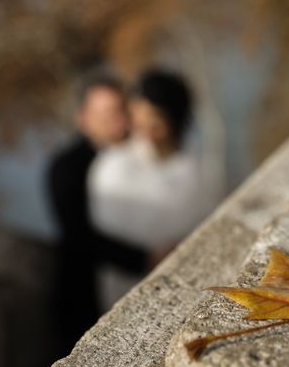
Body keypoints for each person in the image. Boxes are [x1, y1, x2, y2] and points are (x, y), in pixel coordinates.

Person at [47, 72, 148, 354]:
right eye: (105, 114)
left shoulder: (140, 156)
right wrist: (146, 258)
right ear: (83, 119)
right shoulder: (66, 167)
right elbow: (77, 234)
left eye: (120, 111)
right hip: (83, 299)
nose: (117, 121)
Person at [86, 68, 208, 269]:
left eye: (155, 118)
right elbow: (104, 234)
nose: (146, 127)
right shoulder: (112, 166)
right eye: (139, 117)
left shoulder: (196, 169)